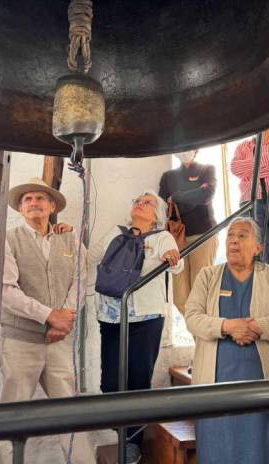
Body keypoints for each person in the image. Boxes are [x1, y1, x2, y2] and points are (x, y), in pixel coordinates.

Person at [185, 216, 269, 464]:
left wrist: (258, 326)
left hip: (268, 386)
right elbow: (192, 317)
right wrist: (228, 326)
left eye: (242, 236)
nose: (234, 241)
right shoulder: (208, 276)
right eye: (230, 236)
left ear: (258, 247)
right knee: (220, 451)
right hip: (217, 385)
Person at [0, 177, 90, 464]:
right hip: (19, 342)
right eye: (27, 200)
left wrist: (65, 320)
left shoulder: (70, 238)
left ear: (51, 206)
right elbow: (7, 291)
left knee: (70, 415)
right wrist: (50, 317)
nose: (34, 203)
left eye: (40, 198)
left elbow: (82, 281)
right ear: (21, 209)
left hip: (59, 342)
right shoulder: (9, 240)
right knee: (10, 416)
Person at [89, 190, 182, 464]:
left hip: (147, 319)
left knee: (138, 381)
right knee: (110, 383)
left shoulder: (162, 237)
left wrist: (170, 256)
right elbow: (89, 257)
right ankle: (125, 427)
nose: (141, 203)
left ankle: (132, 444)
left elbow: (178, 265)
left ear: (158, 215)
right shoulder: (114, 233)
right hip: (111, 317)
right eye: (138, 200)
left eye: (148, 202)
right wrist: (65, 233)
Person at [158, 150, 218, 314]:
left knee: (201, 294)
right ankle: (202, 338)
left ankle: (204, 339)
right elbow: (163, 205)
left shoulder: (207, 170)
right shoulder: (168, 176)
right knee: (180, 298)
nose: (185, 151)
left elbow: (206, 196)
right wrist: (194, 194)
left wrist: (176, 197)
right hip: (177, 239)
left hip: (203, 235)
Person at [230, 129, 269, 260]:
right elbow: (235, 169)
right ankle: (260, 281)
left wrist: (252, 168)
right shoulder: (243, 146)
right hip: (251, 203)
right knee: (258, 254)